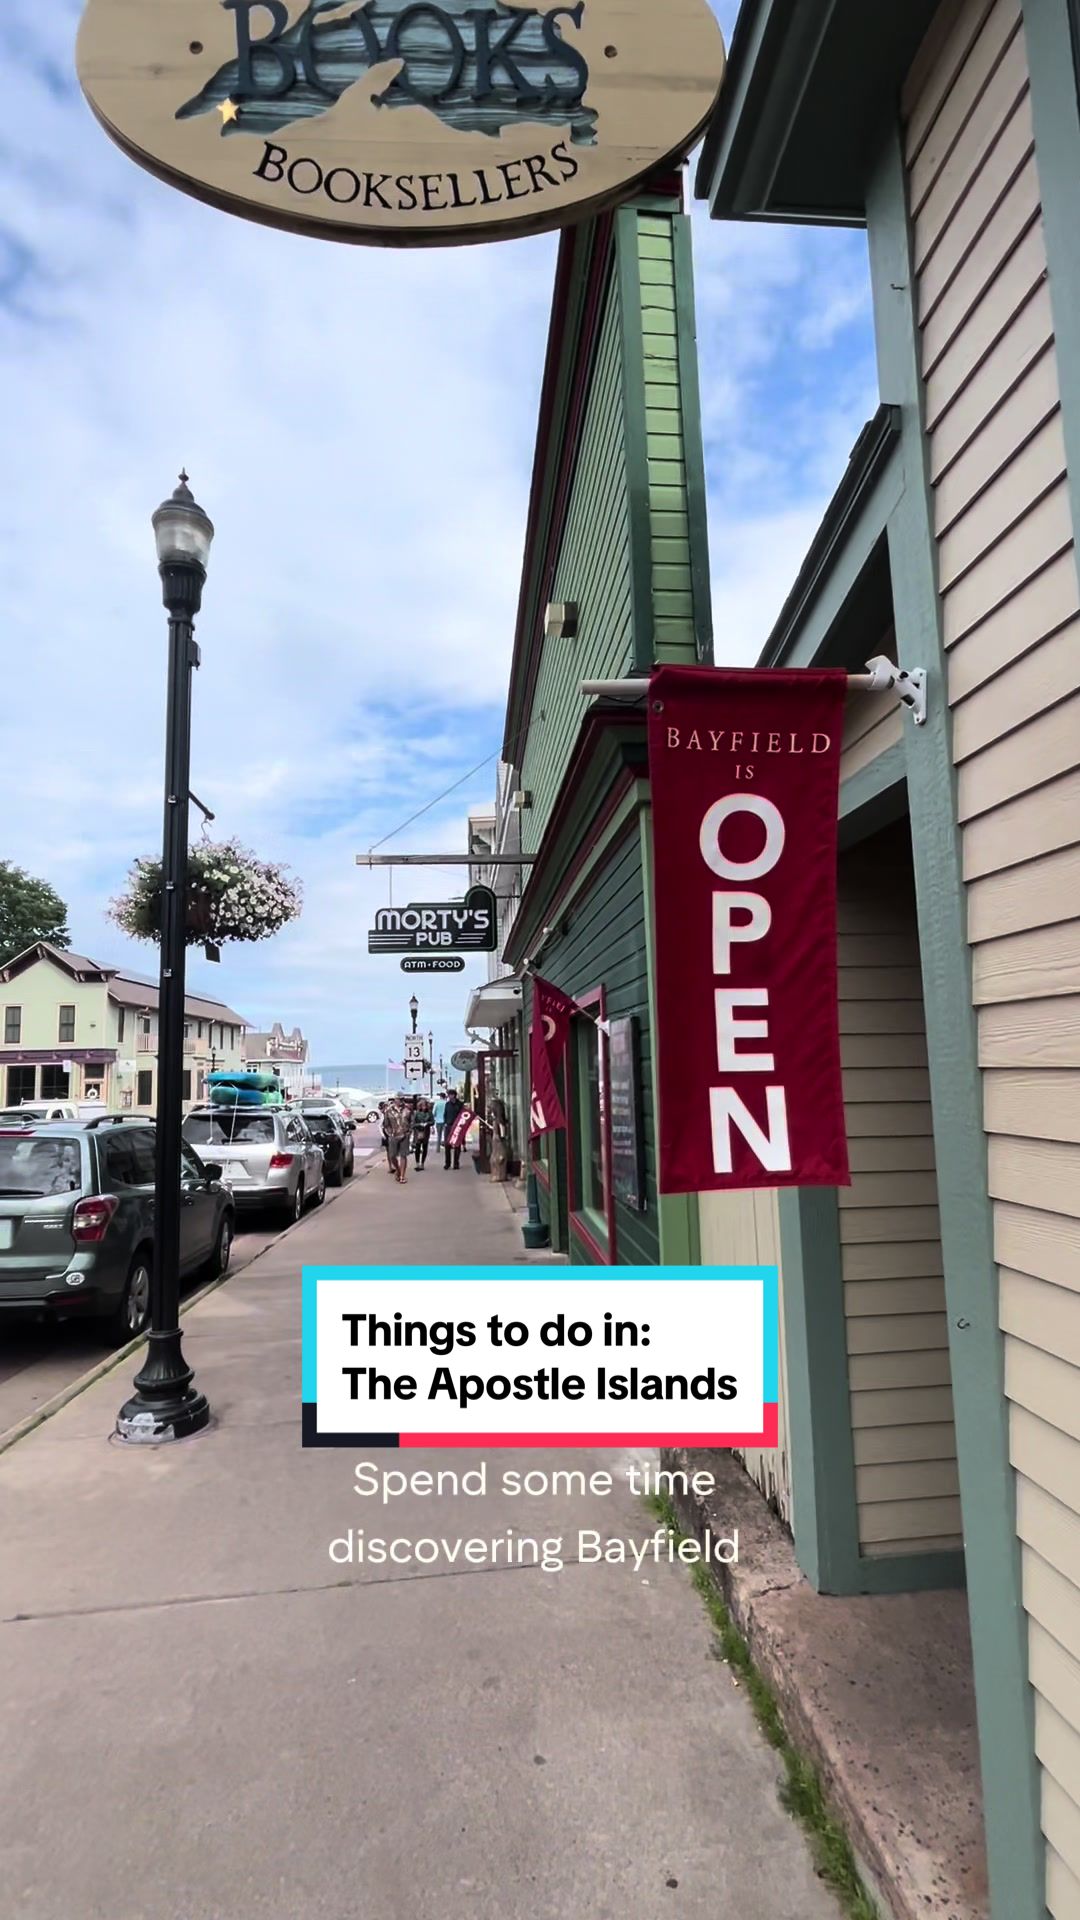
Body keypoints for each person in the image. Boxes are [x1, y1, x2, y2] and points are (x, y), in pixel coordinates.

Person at [442, 1089, 466, 1170]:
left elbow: (463, 1114)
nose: (449, 1096)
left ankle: (456, 1163)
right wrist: (445, 1122)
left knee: (457, 1146)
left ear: (454, 1095)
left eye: (450, 1095)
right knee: (447, 1145)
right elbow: (445, 1114)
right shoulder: (447, 1104)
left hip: (457, 1126)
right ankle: (447, 1163)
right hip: (448, 1126)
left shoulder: (459, 1104)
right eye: (448, 1095)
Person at [412, 1098, 432, 1170]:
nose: (424, 1107)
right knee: (417, 1148)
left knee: (425, 1148)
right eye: (423, 1106)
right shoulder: (416, 1113)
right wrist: (419, 1124)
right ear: (420, 1106)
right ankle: (417, 1163)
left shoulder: (429, 1113)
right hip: (418, 1132)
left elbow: (432, 1122)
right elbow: (413, 1124)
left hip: (426, 1132)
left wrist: (427, 1123)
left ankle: (422, 1163)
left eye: (425, 1105)